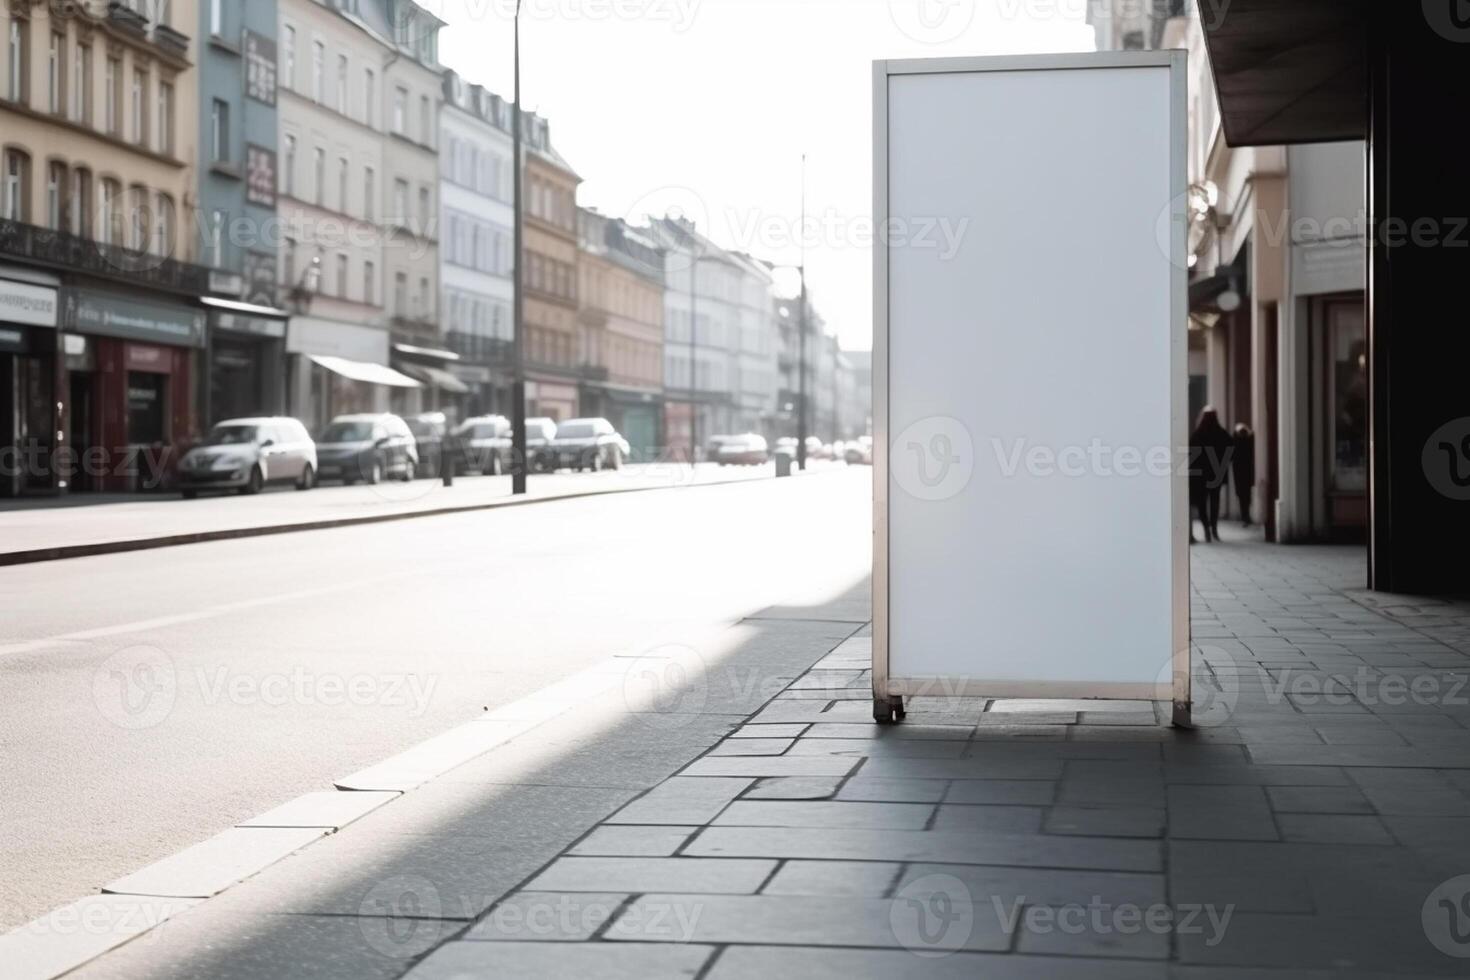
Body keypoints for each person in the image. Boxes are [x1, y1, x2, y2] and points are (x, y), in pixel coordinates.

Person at [1189, 407, 1233, 543]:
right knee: (1215, 501)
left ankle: (1206, 529)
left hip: (1201, 475)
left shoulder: (1198, 434)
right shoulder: (1221, 433)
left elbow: (1191, 454)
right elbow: (1231, 450)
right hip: (1216, 474)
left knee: (1202, 502)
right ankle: (1214, 528)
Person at [1232, 423, 1256, 526]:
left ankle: (1245, 516)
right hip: (1247, 472)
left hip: (1239, 473)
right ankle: (1246, 516)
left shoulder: (1236, 441)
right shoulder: (1249, 441)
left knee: (1242, 496)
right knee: (1246, 496)